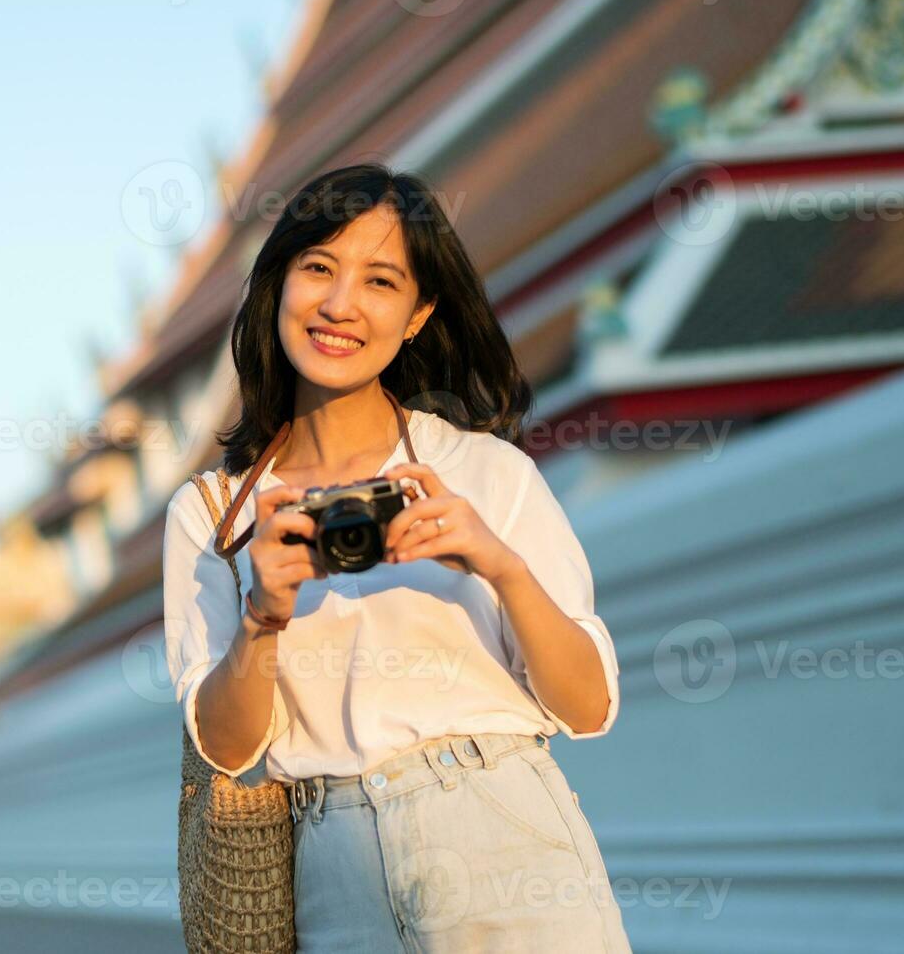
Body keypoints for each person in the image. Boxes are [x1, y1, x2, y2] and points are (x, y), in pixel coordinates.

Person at [162, 162, 633, 951]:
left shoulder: (485, 472)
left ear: (417, 315)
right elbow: (228, 746)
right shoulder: (215, 515)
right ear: (278, 284)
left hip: (501, 831)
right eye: (318, 268)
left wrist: (498, 564)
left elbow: (588, 708)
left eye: (380, 282)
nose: (340, 305)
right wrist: (263, 616)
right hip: (332, 872)